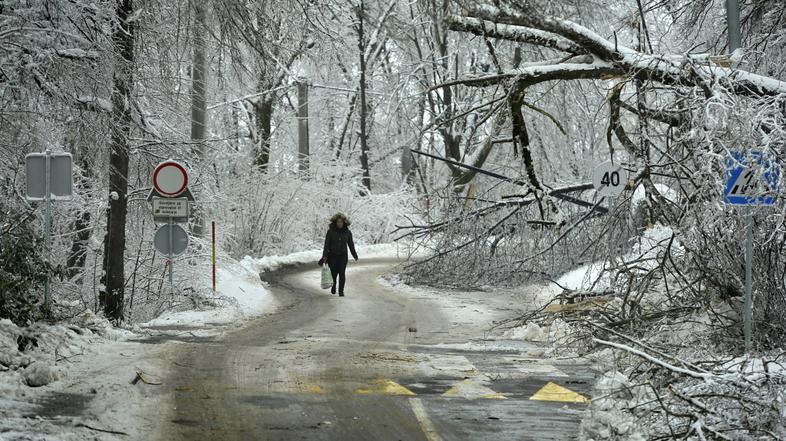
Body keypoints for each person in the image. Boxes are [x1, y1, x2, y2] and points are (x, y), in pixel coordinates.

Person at [320, 213, 358, 296]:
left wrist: (354, 254)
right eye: (338, 222)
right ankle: (333, 286)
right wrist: (325, 256)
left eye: (341, 222)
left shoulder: (347, 232)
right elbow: (326, 244)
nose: (339, 223)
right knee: (333, 273)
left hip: (343, 256)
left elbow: (351, 244)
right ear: (335, 222)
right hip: (333, 255)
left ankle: (341, 291)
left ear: (344, 222)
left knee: (342, 273)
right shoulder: (330, 232)